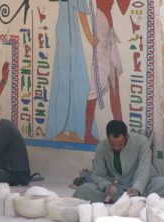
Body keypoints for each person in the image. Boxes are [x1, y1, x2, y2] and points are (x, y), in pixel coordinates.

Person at [73, 120, 164, 203]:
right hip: (116, 187)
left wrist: (137, 188)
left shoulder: (142, 142)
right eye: (113, 145)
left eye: (120, 144)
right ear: (108, 139)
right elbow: (98, 175)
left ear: (127, 137)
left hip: (142, 184)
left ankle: (131, 198)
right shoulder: (102, 147)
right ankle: (129, 200)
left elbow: (144, 169)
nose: (116, 148)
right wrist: (107, 186)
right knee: (83, 190)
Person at [46, 0, 98, 143]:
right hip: (66, 35)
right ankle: (58, 129)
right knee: (63, 82)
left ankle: (74, 130)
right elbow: (81, 12)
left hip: (71, 34)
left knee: (75, 83)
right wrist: (89, 37)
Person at [84, 0, 130, 144]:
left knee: (114, 82)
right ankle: (87, 134)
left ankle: (122, 129)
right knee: (96, 84)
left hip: (108, 30)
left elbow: (123, 8)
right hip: (101, 29)